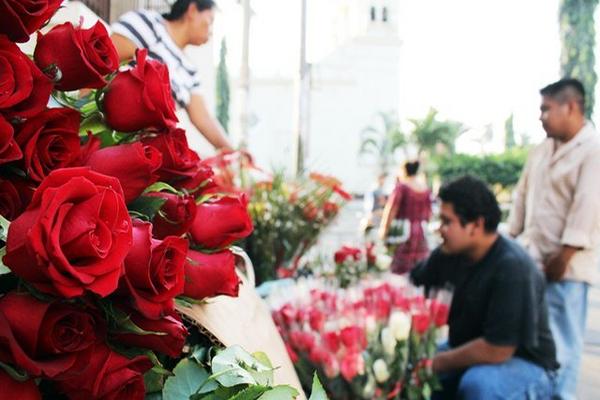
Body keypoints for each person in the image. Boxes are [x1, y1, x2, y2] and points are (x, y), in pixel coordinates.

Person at [411, 176, 558, 399]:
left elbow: (498, 349)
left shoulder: (512, 267)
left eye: (447, 222)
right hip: (469, 347)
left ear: (476, 225)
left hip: (524, 362)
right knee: (409, 370)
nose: (440, 229)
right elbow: (411, 281)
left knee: (479, 385)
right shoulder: (450, 253)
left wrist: (435, 363)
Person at [508, 78, 600, 399]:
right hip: (530, 261)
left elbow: (587, 205)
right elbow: (521, 197)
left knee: (563, 345)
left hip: (567, 268)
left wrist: (564, 256)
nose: (541, 116)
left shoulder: (592, 150)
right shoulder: (541, 150)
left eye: (546, 109)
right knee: (529, 343)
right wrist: (510, 240)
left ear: (571, 107)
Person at [111, 0, 233, 151]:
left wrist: (233, 150)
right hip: (108, 130)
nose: (211, 31)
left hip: (143, 151)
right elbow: (105, 63)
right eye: (211, 20)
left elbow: (203, 118)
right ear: (193, 10)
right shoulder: (149, 24)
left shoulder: (190, 71)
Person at [379, 161, 431, 274]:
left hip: (402, 232)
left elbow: (391, 209)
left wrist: (384, 229)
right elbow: (428, 214)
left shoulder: (402, 187)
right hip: (421, 233)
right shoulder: (425, 189)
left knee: (400, 269)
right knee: (419, 267)